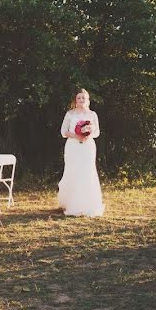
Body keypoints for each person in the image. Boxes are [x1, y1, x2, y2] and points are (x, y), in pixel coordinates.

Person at [58, 89, 104, 217]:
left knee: (87, 171)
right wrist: (76, 136)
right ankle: (71, 203)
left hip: (88, 147)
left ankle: (89, 204)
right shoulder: (70, 114)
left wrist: (88, 134)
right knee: (74, 171)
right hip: (73, 146)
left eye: (84, 98)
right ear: (75, 101)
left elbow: (97, 132)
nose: (81, 100)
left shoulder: (93, 114)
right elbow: (63, 131)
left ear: (88, 100)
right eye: (79, 98)